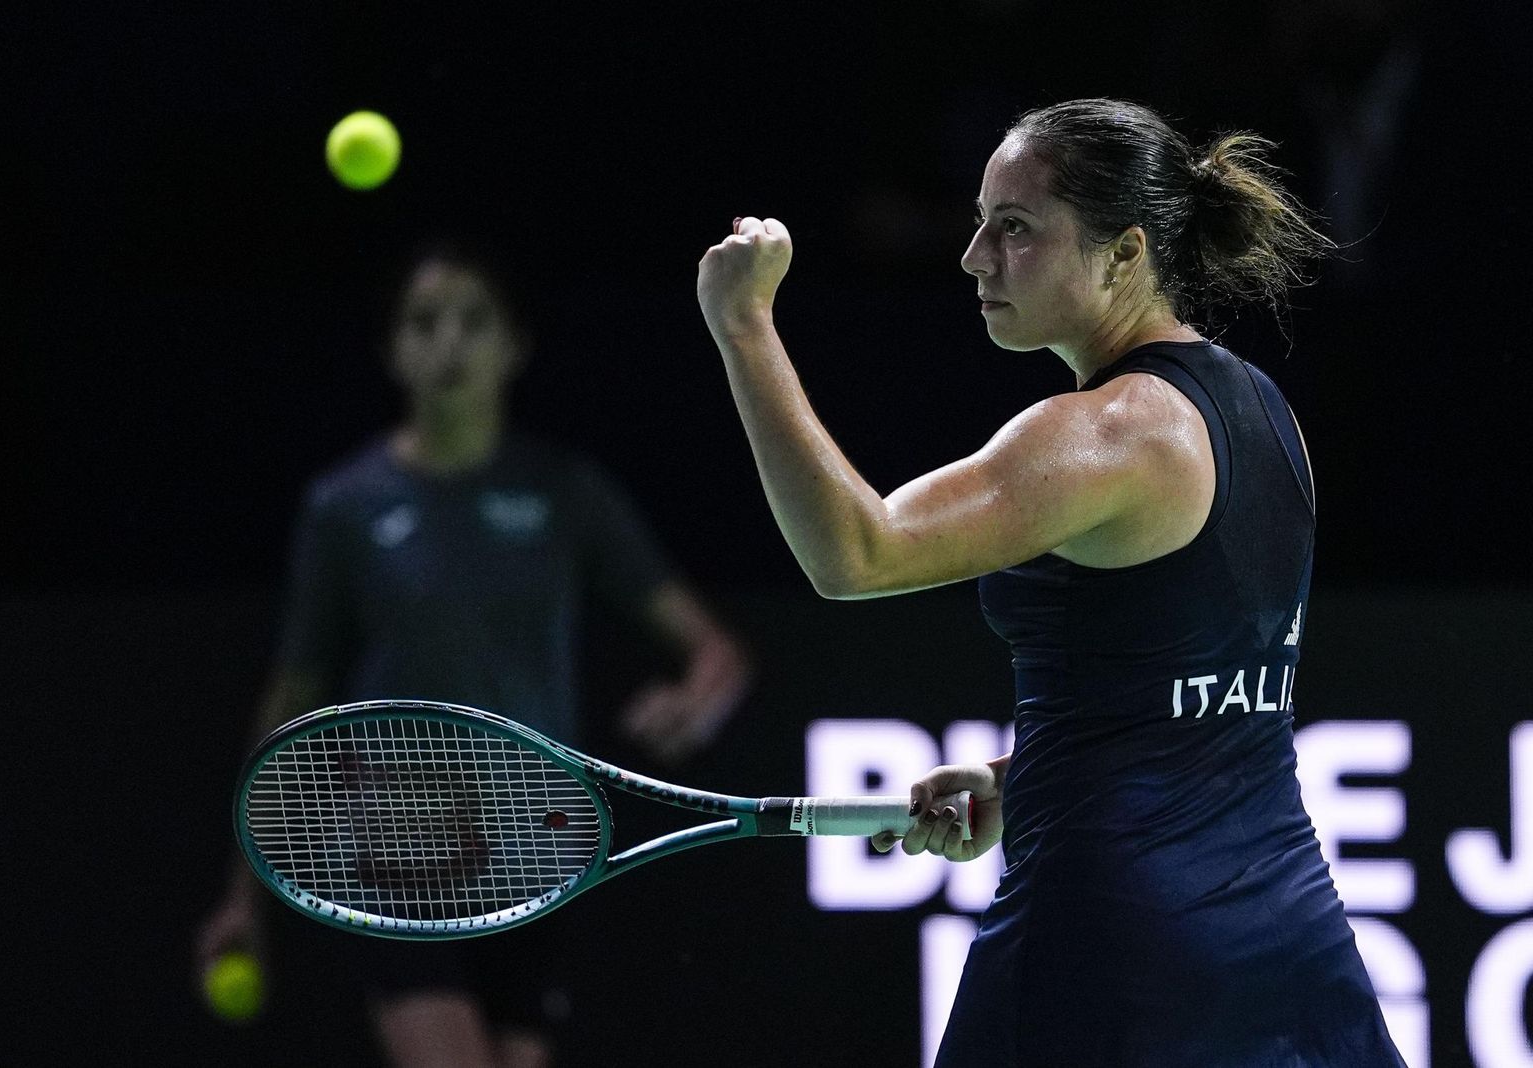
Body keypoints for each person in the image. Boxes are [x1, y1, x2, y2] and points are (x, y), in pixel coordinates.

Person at [696, 99, 1406, 1066]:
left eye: (1016, 228)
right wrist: (1025, 779)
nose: (974, 256)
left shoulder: (1106, 433)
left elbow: (856, 554)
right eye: (981, 221)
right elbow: (1192, 691)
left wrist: (744, 327)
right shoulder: (1264, 409)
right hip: (1292, 946)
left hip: (1114, 951)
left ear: (1125, 253)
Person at [197, 244, 751, 1067]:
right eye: (424, 323)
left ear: (513, 346)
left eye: (473, 321)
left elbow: (714, 651)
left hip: (534, 859)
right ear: (393, 352)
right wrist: (243, 893)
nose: (449, 342)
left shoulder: (566, 491)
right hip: (395, 857)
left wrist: (695, 700)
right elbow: (293, 699)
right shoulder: (345, 507)